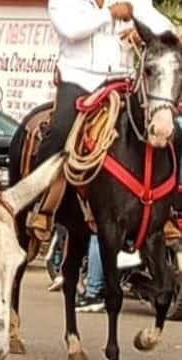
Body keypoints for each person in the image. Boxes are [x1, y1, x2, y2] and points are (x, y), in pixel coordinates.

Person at [27, 0, 174, 236]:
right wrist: (109, 14)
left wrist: (143, 33)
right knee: (60, 133)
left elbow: (163, 26)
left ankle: (169, 209)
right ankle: (42, 203)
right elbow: (70, 29)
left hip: (122, 81)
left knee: (165, 131)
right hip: (79, 81)